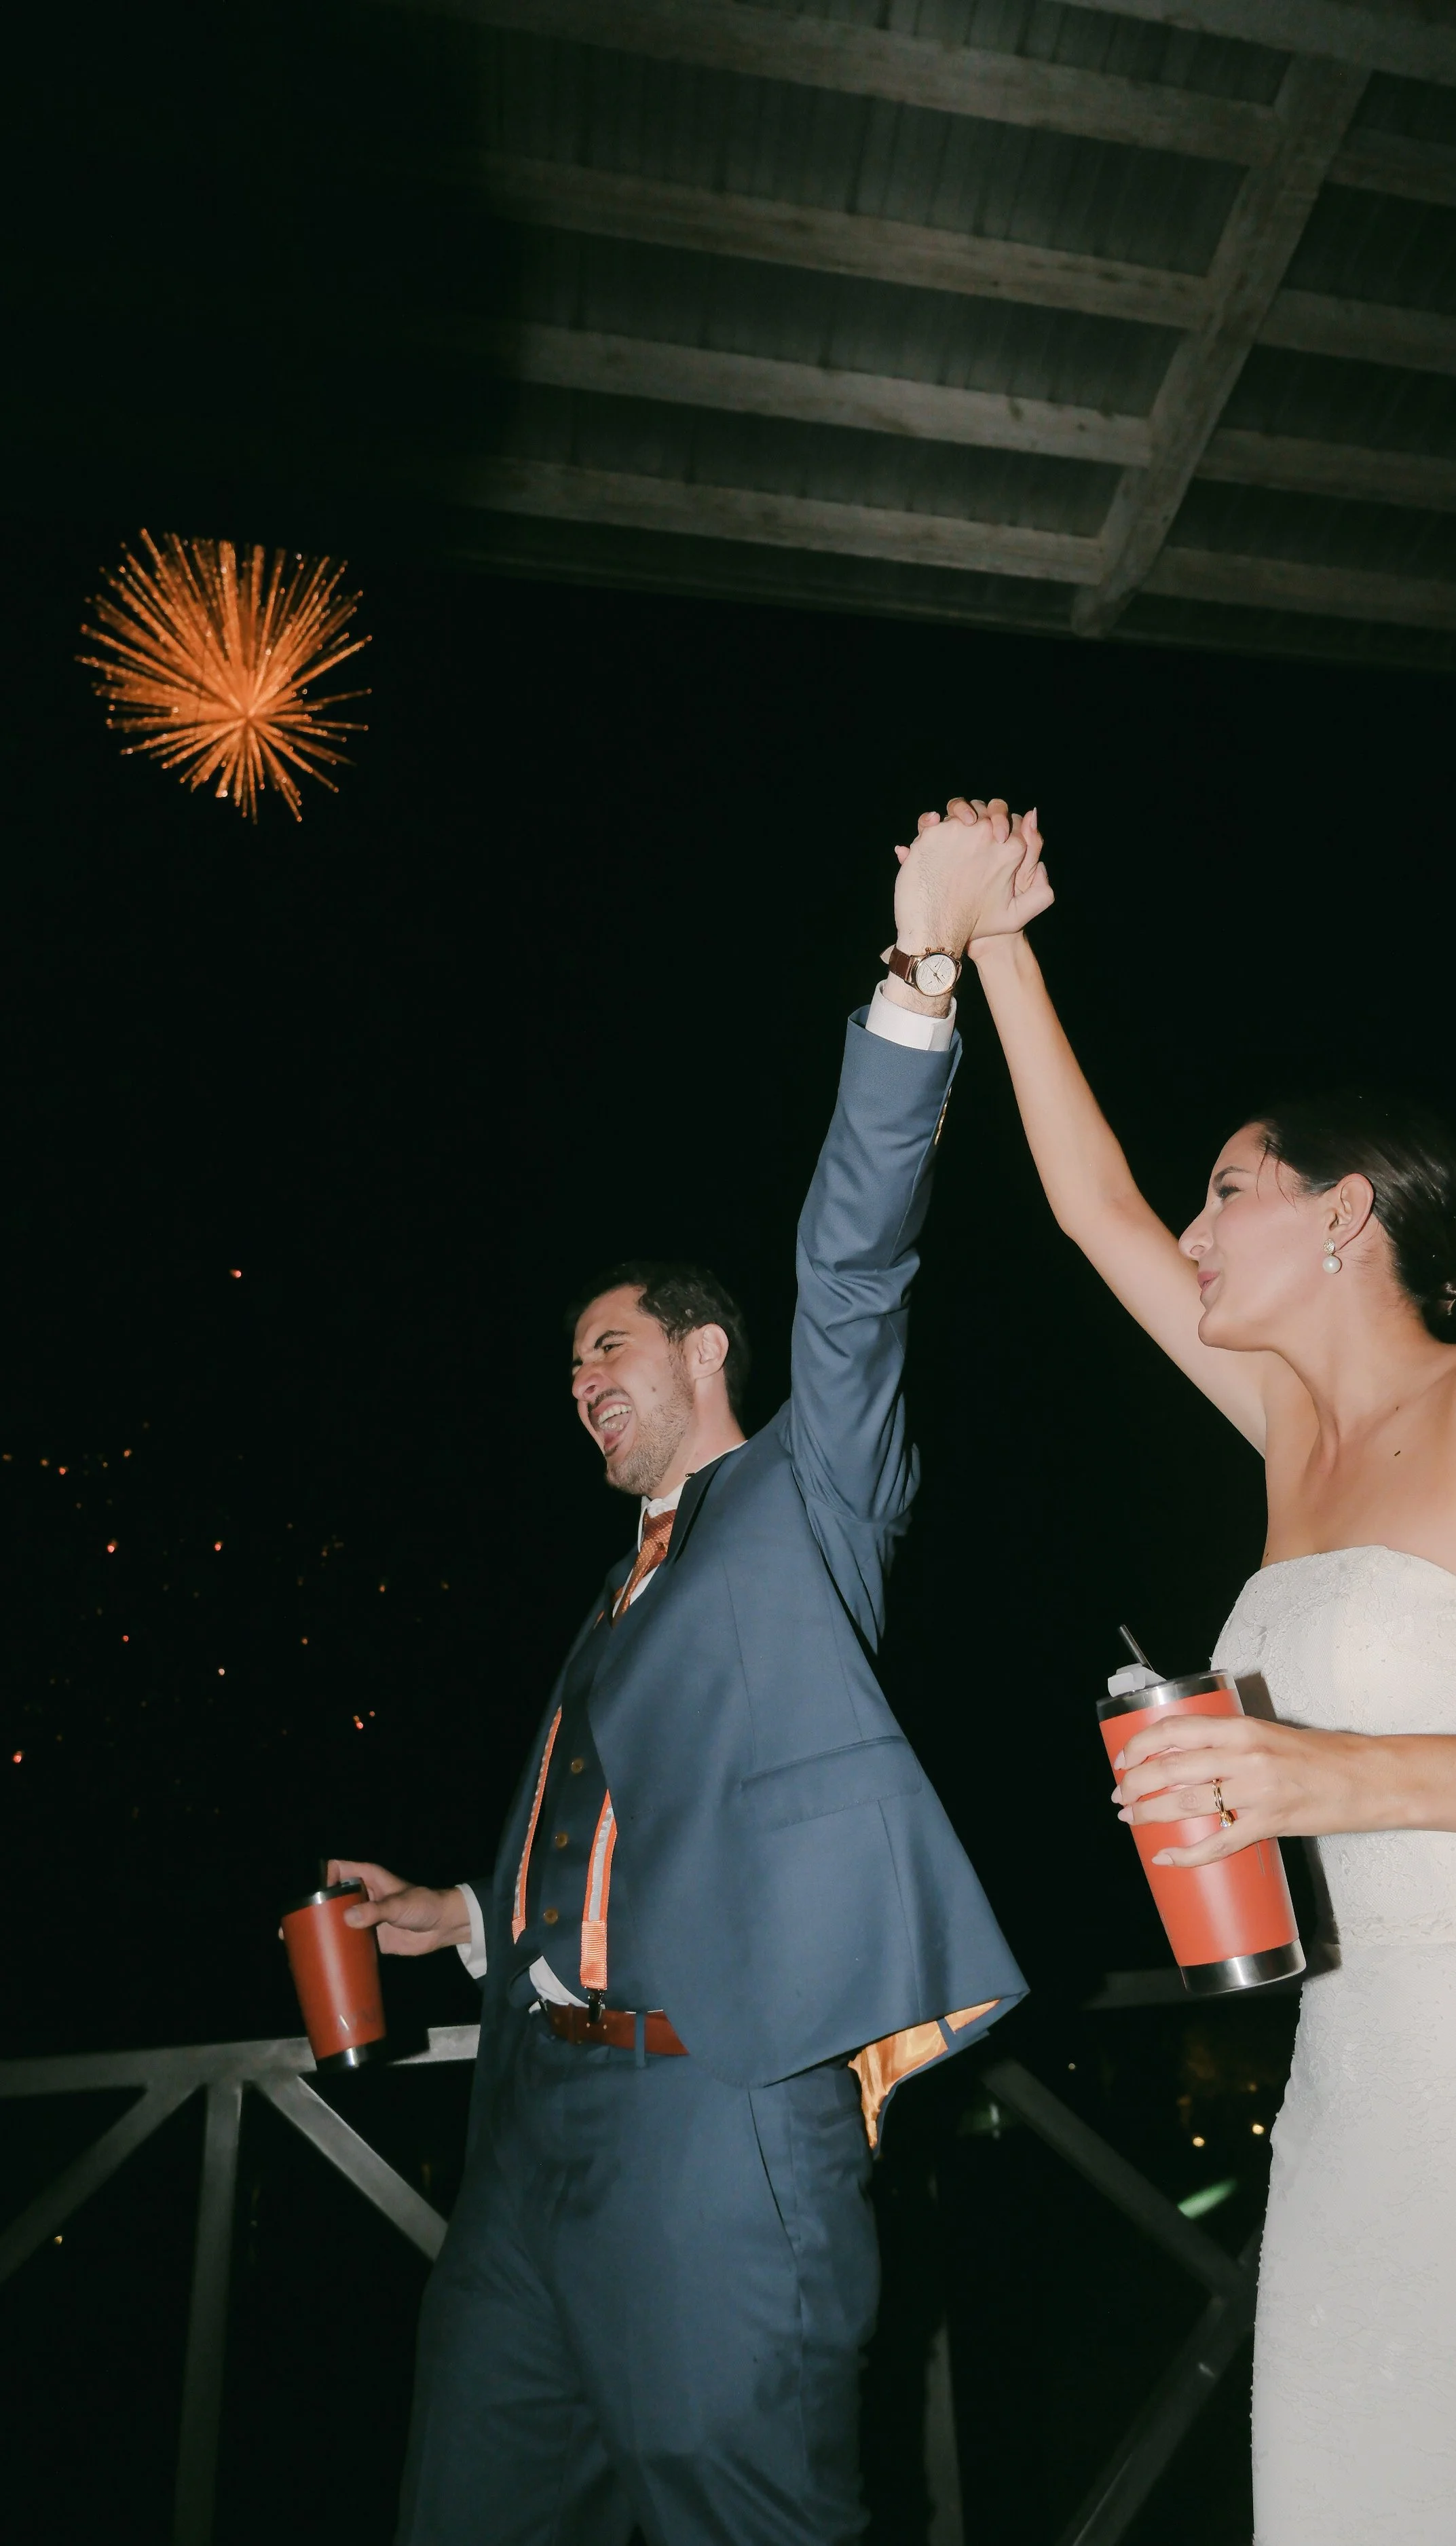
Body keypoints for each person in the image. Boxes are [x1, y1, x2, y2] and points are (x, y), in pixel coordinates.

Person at [951, 797, 1456, 2545]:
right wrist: (994, 941)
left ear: (1344, 1213)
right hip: (1367, 2084)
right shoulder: (1292, 1436)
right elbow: (1091, 1209)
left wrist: (1344, 1776)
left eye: (1228, 1192)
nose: (1192, 1232)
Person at [329, 802, 1034, 2546]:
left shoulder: (807, 1501)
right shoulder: (618, 1589)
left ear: (705, 1348)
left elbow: (856, 1268)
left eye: (608, 1346)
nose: (579, 1382)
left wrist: (918, 977)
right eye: (568, 1368)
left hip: (716, 2125)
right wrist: (466, 1914)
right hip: (527, 2138)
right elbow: (632, 1833)